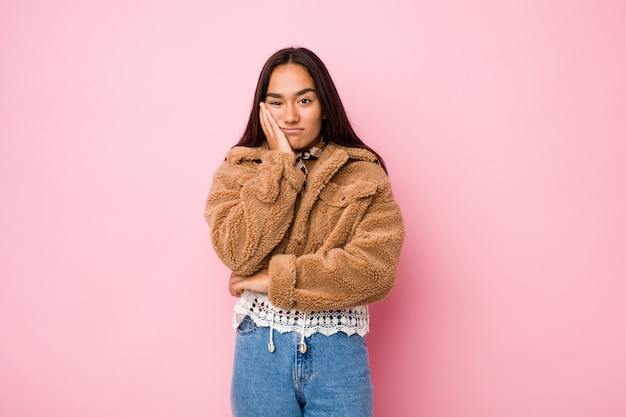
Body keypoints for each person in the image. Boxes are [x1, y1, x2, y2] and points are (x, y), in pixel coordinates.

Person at [204, 47, 404, 417]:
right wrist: (279, 165)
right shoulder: (239, 169)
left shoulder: (363, 173)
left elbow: (375, 271)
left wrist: (272, 279)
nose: (290, 116)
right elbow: (237, 253)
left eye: (305, 100)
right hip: (260, 352)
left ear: (324, 105)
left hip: (338, 354)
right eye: (277, 102)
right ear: (262, 108)